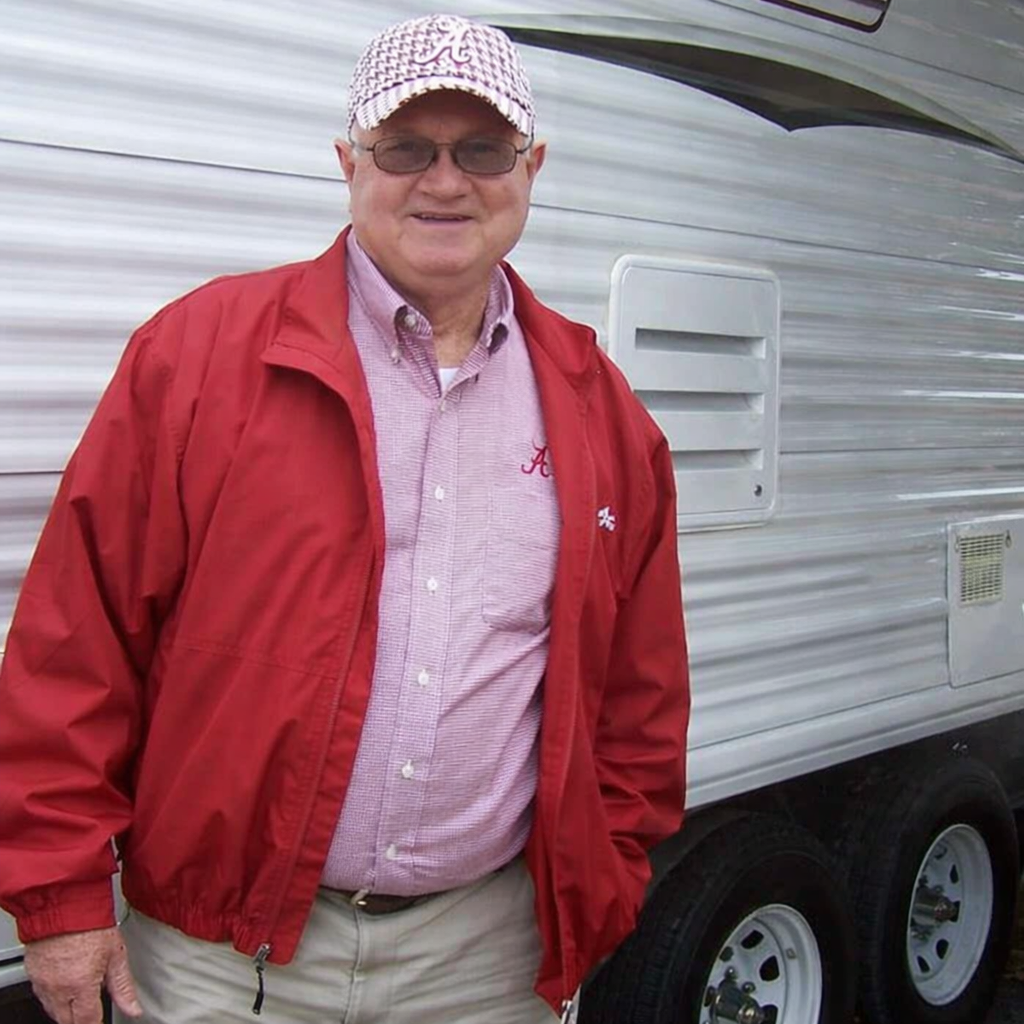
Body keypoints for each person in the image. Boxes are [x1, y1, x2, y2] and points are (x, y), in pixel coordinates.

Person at [0, 13, 689, 1024]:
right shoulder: (197, 358)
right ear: (347, 161)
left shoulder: (601, 410)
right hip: (218, 955)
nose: (444, 181)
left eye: (482, 149)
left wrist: (602, 880)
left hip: (483, 958)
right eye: (406, 147)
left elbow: (641, 692)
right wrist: (59, 899)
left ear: (531, 165)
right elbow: (77, 642)